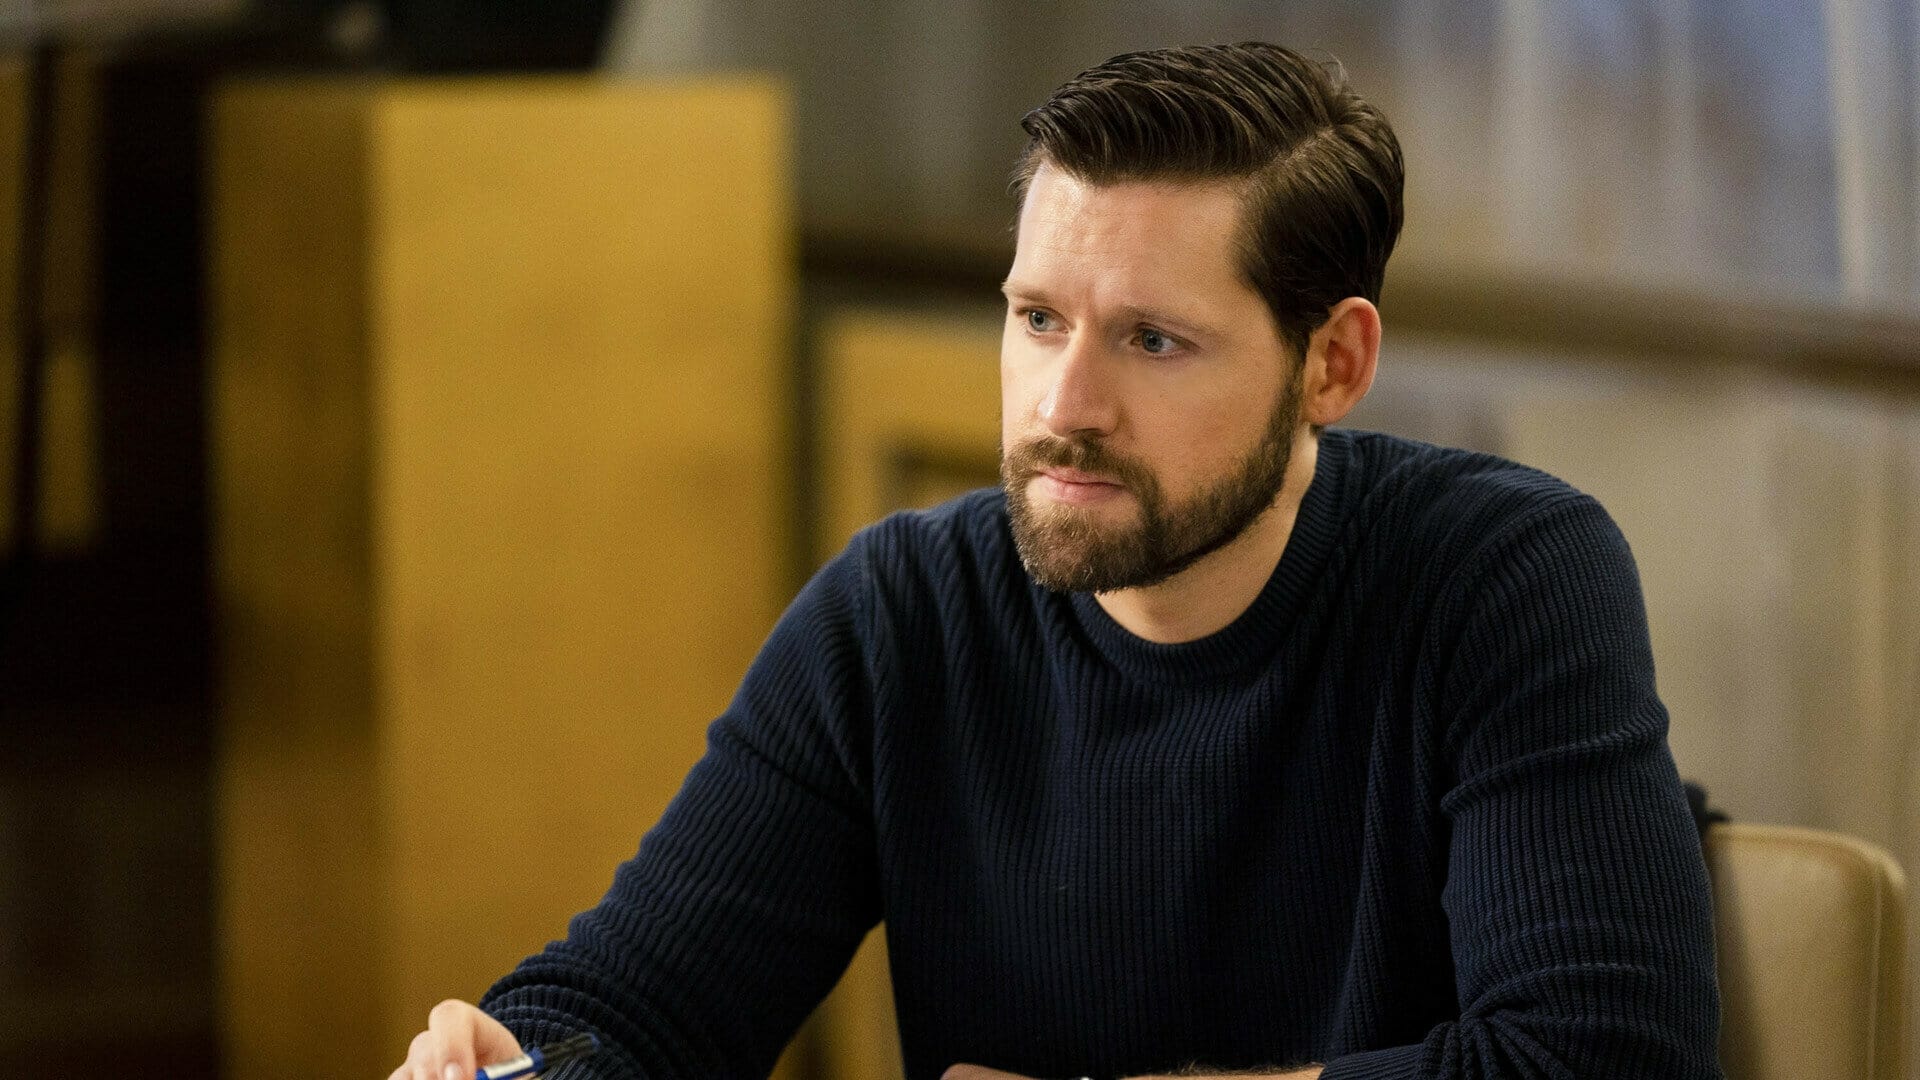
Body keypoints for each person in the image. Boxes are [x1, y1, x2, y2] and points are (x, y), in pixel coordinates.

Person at [391, 42, 1722, 1080]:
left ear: (1333, 363)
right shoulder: (902, 613)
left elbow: (1597, 1058)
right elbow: (638, 1008)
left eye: (1153, 341)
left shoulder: (1504, 577)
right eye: (1037, 319)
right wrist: (515, 1059)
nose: (1063, 406)